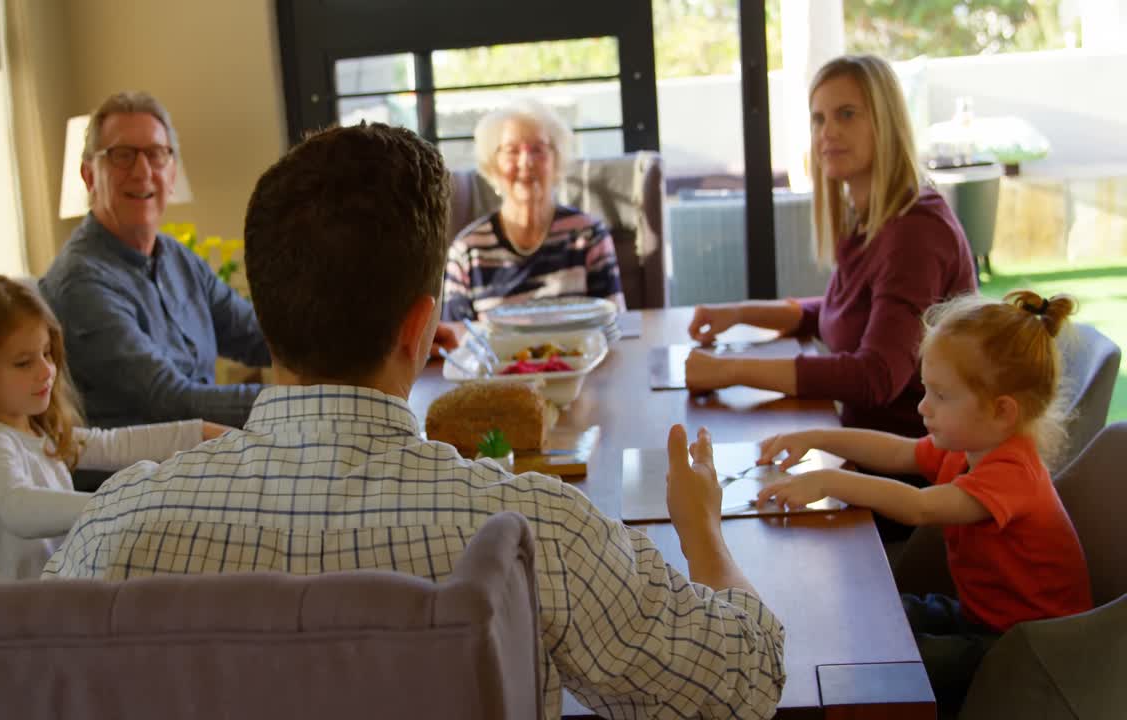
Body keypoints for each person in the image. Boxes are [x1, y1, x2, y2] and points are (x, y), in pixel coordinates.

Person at [44, 123, 785, 719]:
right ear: (423, 328)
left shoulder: (116, 529)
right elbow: (742, 682)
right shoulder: (531, 533)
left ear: (264, 323)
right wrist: (704, 533)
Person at [753, 290, 1093, 715]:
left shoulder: (1013, 475)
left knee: (882, 671)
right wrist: (815, 438)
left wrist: (830, 480)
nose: (922, 406)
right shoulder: (971, 443)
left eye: (941, 395)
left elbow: (920, 507)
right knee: (871, 614)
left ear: (1003, 411)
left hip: (1020, 648)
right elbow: (899, 452)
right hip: (978, 616)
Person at [685, 55, 976, 441]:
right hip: (866, 450)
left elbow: (877, 376)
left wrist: (730, 370)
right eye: (818, 119)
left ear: (885, 124)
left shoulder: (915, 230)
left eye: (847, 114)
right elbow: (846, 311)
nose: (827, 132)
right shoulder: (868, 216)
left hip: (912, 474)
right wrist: (737, 313)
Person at [0, 275, 228, 581]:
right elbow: (20, 508)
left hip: (66, 590)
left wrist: (201, 433)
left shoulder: (39, 434)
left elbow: (112, 445)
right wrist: (121, 503)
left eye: (46, 353)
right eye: (23, 362)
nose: (46, 370)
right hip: (24, 614)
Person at [40, 91, 272, 428]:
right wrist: (296, 403)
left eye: (156, 154)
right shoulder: (81, 281)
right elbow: (170, 401)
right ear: (89, 176)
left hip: (202, 454)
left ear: (172, 172)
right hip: (139, 473)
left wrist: (348, 355)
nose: (142, 171)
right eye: (122, 155)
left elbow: (255, 335)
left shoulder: (178, 258)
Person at [442, 100, 627, 321]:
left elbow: (616, 325)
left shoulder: (588, 235)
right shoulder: (466, 252)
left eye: (538, 149)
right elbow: (456, 344)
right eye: (511, 151)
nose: (526, 162)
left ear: (556, 160)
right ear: (493, 163)